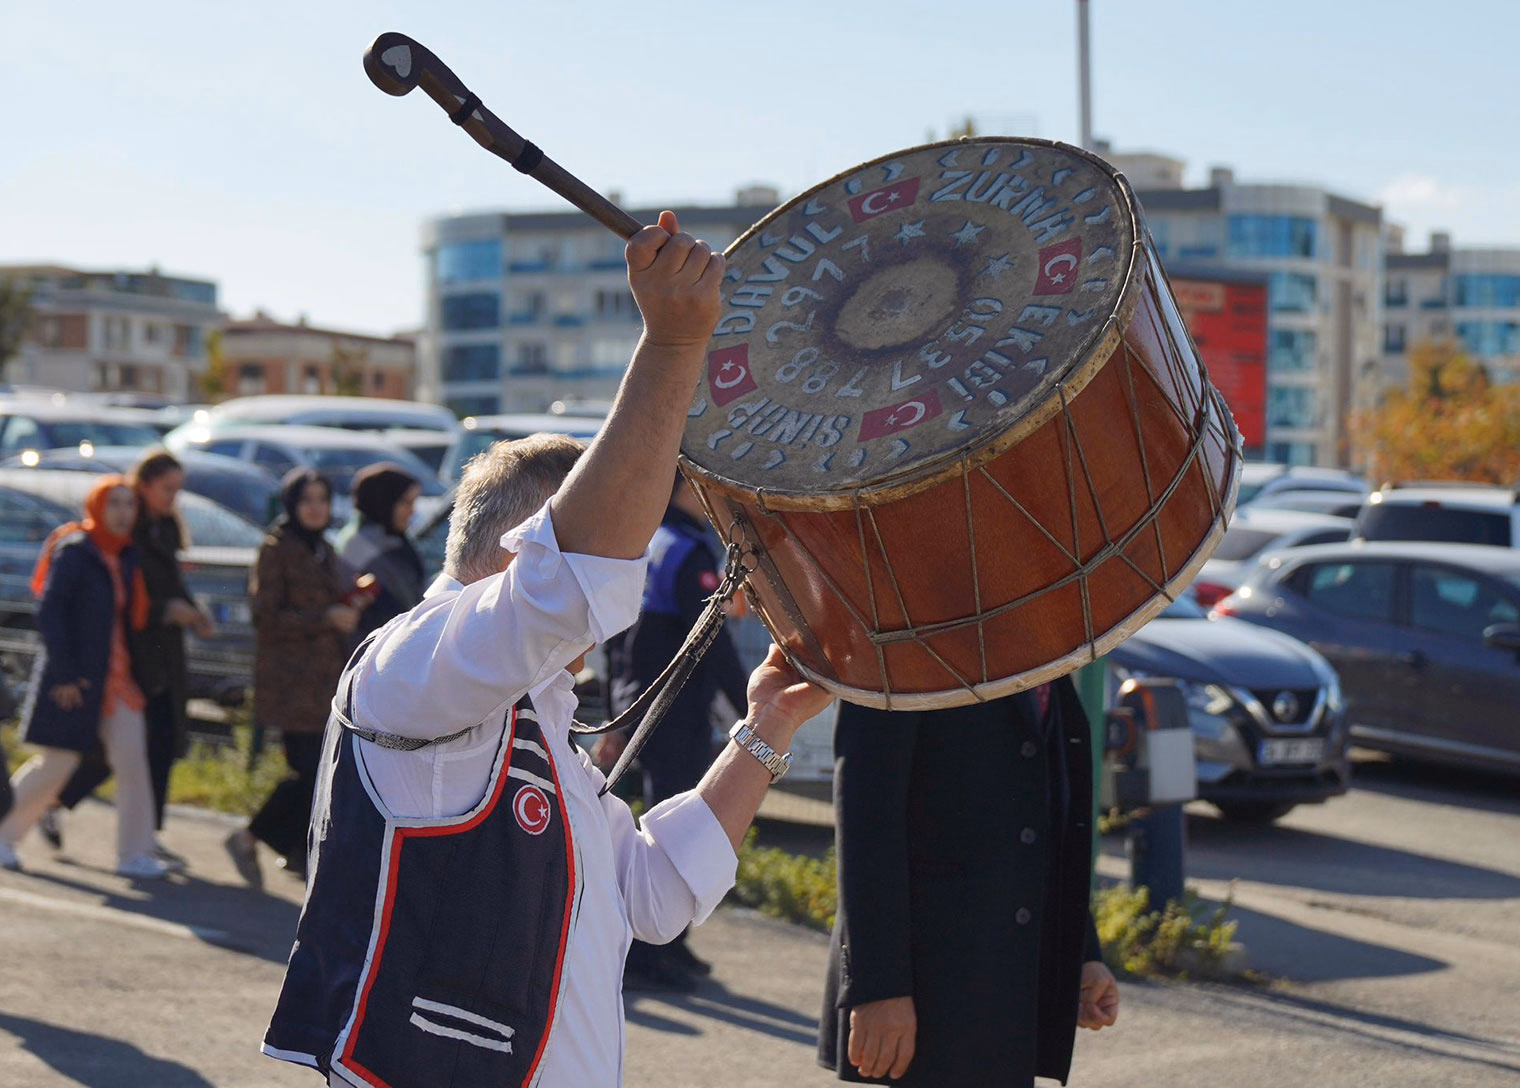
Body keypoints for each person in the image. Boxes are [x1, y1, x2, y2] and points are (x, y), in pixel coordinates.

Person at [262, 212, 834, 1087]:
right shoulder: (406, 666)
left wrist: (766, 726)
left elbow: (652, 894)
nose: (629, 578)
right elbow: (568, 584)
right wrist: (674, 344)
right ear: (519, 548)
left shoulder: (532, 710)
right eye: (621, 542)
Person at [818, 680, 1120, 1086]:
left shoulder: (1040, 626)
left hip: (1005, 992)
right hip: (927, 995)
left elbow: (1041, 797)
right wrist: (878, 986)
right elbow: (868, 814)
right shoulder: (900, 620)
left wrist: (1080, 949)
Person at [604, 473, 751, 990]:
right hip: (679, 711)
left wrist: (621, 710)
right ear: (686, 492)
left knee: (658, 819)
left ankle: (668, 945)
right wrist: (750, 705)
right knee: (677, 829)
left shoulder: (654, 542)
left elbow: (624, 638)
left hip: (651, 707)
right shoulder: (690, 551)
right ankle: (649, 952)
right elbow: (712, 640)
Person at [45, 450, 214, 866]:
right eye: (166, 489)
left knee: (142, 749)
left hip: (159, 654)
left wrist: (191, 611)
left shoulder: (161, 529)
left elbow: (168, 582)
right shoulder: (124, 534)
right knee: (129, 750)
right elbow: (123, 603)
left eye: (178, 490)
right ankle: (123, 835)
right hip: (135, 657)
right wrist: (167, 611)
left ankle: (136, 837)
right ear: (145, 486)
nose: (173, 498)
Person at [0, 476, 173, 878]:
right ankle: (4, 835)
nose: (122, 512)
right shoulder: (75, 551)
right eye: (113, 503)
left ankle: (135, 854)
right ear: (96, 507)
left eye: (129, 504)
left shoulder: (127, 555)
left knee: (133, 762)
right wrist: (63, 674)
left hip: (119, 681)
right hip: (75, 678)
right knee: (57, 763)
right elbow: (51, 613)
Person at [225, 469, 358, 886]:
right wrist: (325, 618)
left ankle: (294, 850)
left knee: (322, 770)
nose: (316, 508)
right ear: (291, 504)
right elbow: (266, 615)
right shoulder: (277, 550)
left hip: (325, 679)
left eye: (323, 499)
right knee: (309, 770)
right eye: (307, 500)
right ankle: (253, 836)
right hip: (291, 681)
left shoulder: (324, 548)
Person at [336, 462, 424, 646]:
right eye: (406, 503)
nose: (412, 511)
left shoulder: (395, 538)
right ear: (385, 501)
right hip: (373, 651)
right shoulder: (357, 545)